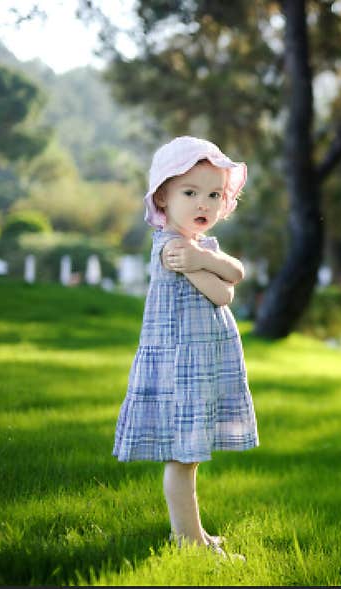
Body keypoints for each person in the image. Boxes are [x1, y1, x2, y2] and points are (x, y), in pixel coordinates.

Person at [113, 136, 259, 558]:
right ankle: (188, 539)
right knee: (183, 456)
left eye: (214, 194)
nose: (204, 204)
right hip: (182, 364)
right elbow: (222, 294)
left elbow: (236, 272)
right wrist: (205, 263)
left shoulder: (200, 246)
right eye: (190, 193)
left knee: (190, 456)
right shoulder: (173, 247)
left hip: (202, 362)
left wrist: (207, 260)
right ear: (163, 196)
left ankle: (195, 534)